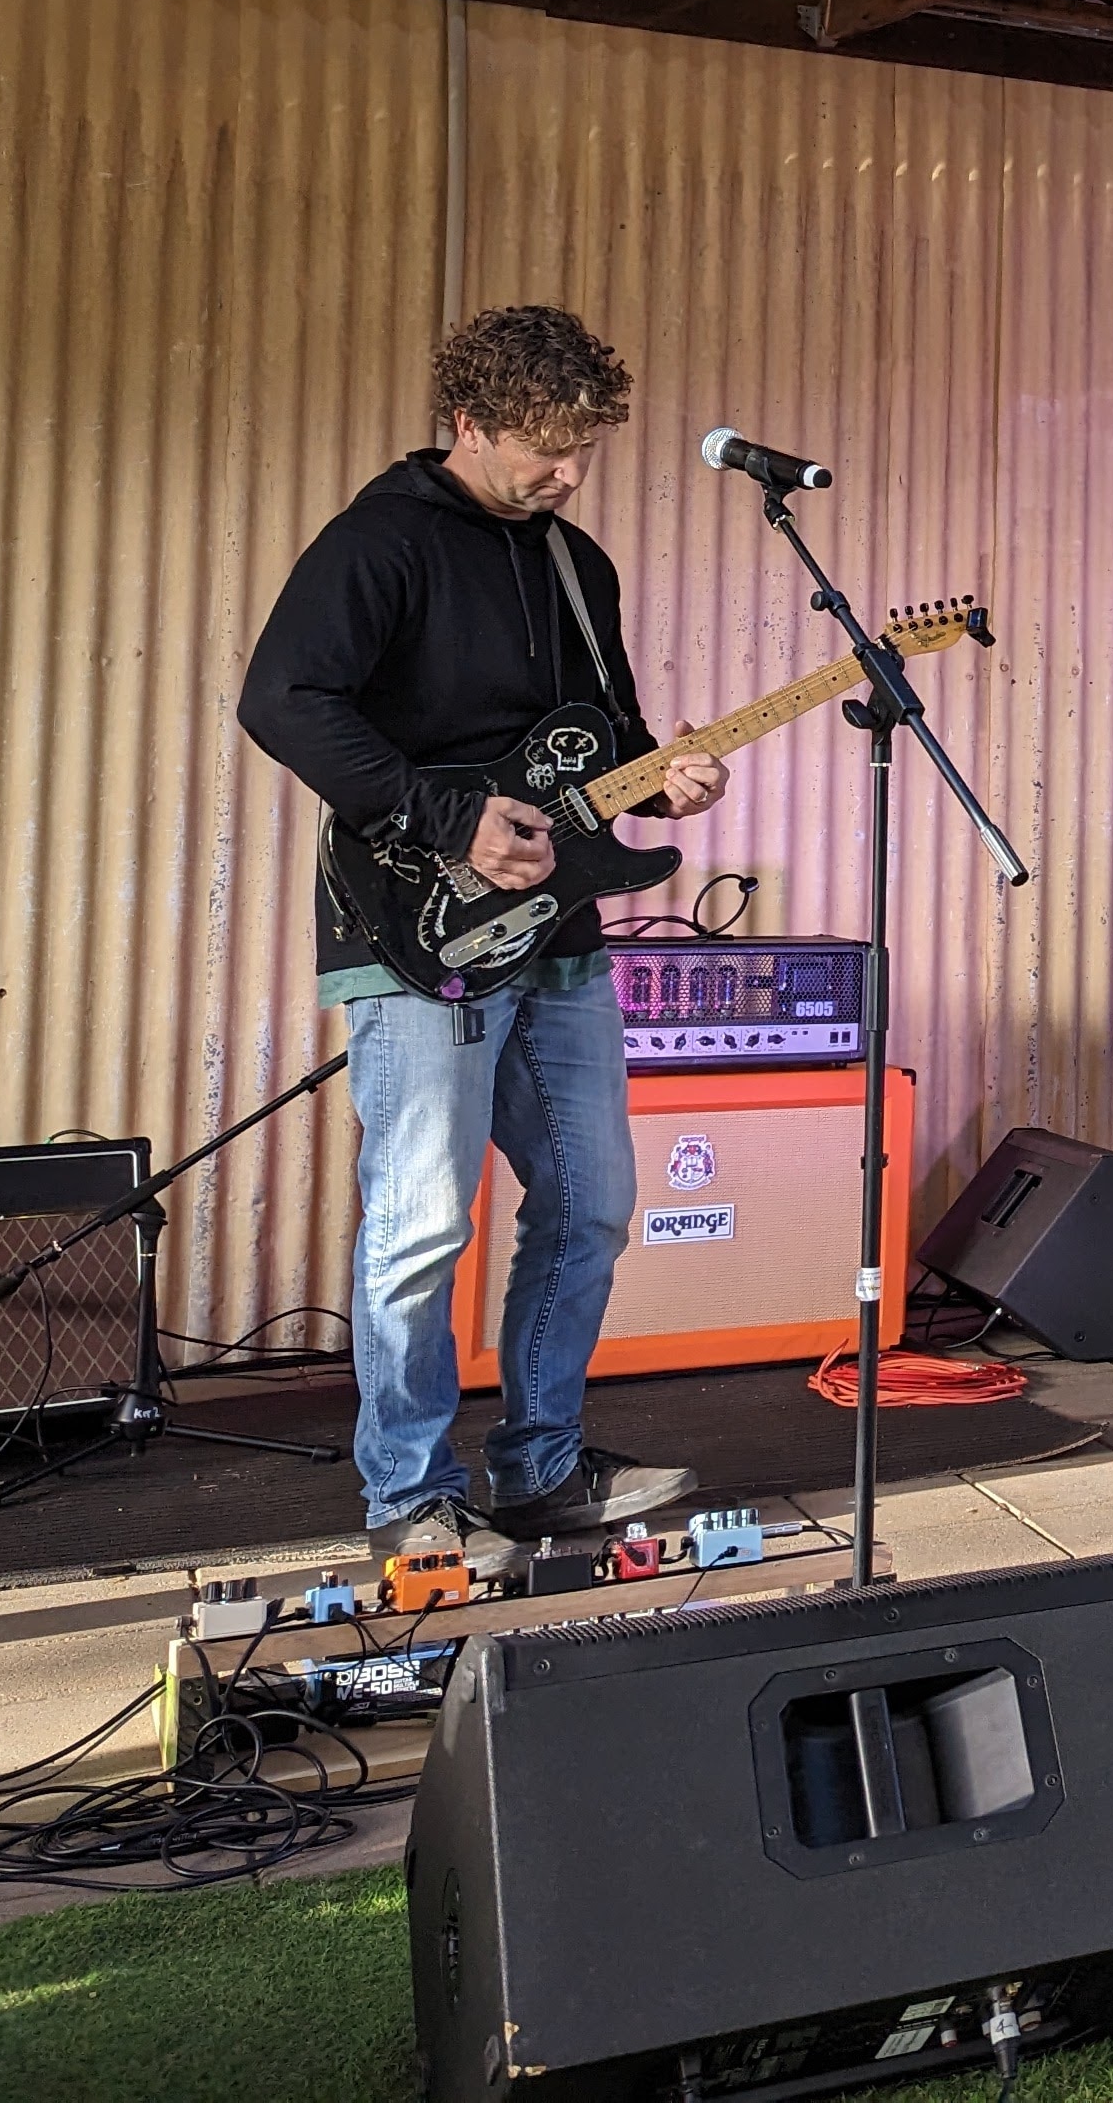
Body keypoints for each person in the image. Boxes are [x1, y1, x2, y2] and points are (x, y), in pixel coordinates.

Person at [240, 305, 727, 1565]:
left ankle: (542, 1470)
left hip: (556, 928)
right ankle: (407, 1493)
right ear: (468, 424)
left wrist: (658, 776)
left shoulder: (579, 563)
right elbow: (283, 700)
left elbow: (596, 737)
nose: (567, 473)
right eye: (542, 447)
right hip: (418, 931)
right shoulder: (379, 542)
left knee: (591, 1201)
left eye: (585, 448)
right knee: (421, 1223)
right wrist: (445, 817)